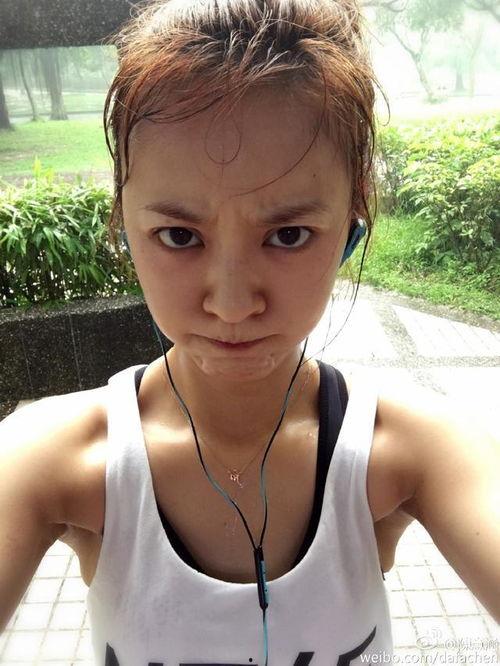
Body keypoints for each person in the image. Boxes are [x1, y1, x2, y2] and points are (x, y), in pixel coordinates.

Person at [0, 1, 499, 664]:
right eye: (179, 236)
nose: (233, 305)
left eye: (288, 235)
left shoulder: (413, 451)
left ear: (351, 222)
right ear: (124, 220)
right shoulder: (51, 462)